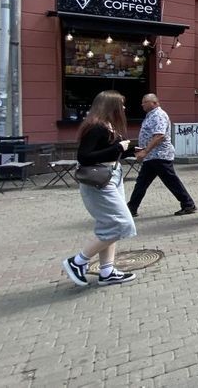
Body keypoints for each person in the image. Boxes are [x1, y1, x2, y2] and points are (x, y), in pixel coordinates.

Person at [61, 90, 137, 287]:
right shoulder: (96, 127)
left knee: (109, 224)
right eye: (121, 104)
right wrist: (118, 148)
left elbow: (105, 152)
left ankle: (107, 271)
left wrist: (128, 150)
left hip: (112, 175)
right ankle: (78, 261)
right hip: (100, 180)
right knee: (122, 224)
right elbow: (84, 157)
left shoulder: (107, 126)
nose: (124, 108)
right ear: (111, 106)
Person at [127, 94, 197, 217]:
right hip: (152, 156)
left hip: (160, 155)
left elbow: (159, 136)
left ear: (154, 103)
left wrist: (145, 151)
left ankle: (188, 204)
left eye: (145, 102)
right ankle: (131, 208)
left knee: (171, 181)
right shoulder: (151, 115)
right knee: (142, 182)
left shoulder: (158, 115)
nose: (142, 104)